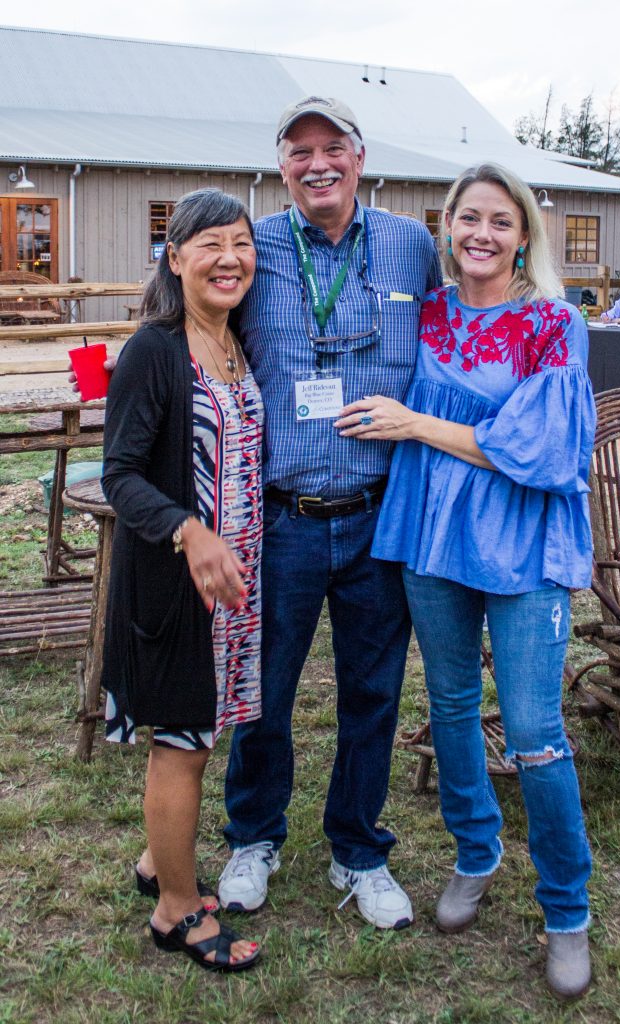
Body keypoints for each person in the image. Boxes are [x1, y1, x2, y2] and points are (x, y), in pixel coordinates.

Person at [335, 163, 595, 998]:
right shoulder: (429, 314)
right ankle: (473, 852)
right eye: (466, 218)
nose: (480, 234)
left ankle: (566, 907)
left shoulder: (554, 324)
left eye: (499, 221)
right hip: (433, 538)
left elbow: (541, 451)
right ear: (445, 227)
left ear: (524, 235)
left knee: (534, 733)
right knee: (447, 707)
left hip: (519, 547)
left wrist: (416, 425)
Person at [217, 97, 442, 929]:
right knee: (263, 690)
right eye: (299, 151)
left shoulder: (411, 245)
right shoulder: (254, 248)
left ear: (358, 155)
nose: (318, 164)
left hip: (382, 516)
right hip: (281, 519)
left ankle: (357, 848)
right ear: (281, 166)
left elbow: (455, 336)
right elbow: (193, 328)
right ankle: (253, 835)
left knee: (372, 692)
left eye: (332, 148)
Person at [101, 188, 262, 972]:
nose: (229, 258)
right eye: (210, 244)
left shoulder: (236, 344)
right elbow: (120, 475)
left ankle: (153, 861)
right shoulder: (155, 350)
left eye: (241, 243)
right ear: (176, 257)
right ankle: (175, 911)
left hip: (233, 587)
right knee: (183, 748)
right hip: (176, 585)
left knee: (200, 733)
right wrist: (190, 530)